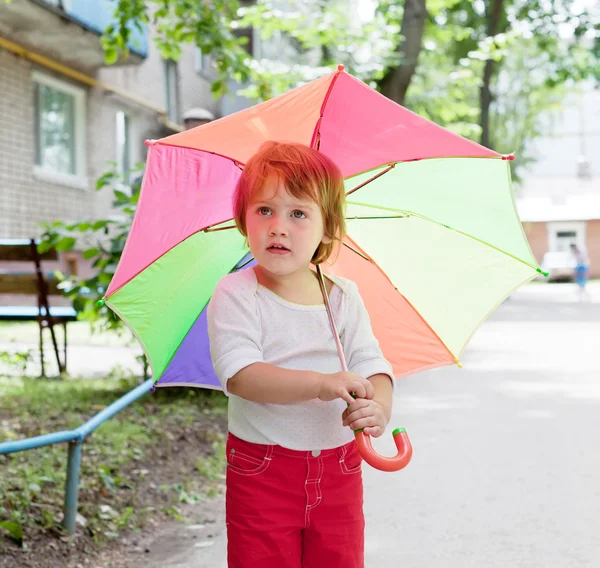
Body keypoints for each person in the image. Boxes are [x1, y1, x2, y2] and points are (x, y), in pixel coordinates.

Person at [206, 141, 395, 568]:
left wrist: (378, 407)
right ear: (244, 220)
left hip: (339, 467)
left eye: (298, 213)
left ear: (328, 228)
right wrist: (321, 383)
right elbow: (242, 375)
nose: (278, 226)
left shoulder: (342, 297)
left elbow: (370, 362)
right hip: (262, 470)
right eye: (264, 210)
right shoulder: (237, 293)